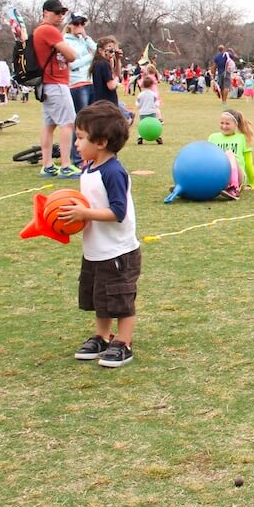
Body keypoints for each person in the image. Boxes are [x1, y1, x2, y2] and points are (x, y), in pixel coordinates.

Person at [62, 100, 141, 368]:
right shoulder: (88, 168)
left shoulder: (114, 172)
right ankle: (102, 336)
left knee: (120, 297)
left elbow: (117, 211)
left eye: (81, 138)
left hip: (118, 250)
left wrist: (85, 215)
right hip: (95, 248)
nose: (76, 143)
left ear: (102, 142)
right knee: (99, 295)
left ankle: (124, 342)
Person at [33, 0, 82, 178]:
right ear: (46, 12)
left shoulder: (40, 31)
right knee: (68, 123)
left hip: (46, 84)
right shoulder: (48, 30)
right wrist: (66, 48)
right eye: (56, 12)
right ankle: (66, 165)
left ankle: (47, 164)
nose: (60, 16)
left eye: (62, 13)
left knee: (49, 124)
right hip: (55, 83)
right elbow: (72, 55)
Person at [65, 15, 97, 167]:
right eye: (76, 23)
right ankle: (77, 158)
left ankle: (88, 154)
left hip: (89, 81)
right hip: (76, 84)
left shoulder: (83, 41)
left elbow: (98, 51)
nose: (79, 26)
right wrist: (89, 58)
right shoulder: (65, 41)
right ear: (70, 25)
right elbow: (72, 64)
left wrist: (86, 37)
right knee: (79, 122)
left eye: (82, 23)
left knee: (90, 122)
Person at [207, 108, 254, 195]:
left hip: (238, 177)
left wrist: (253, 184)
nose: (224, 126)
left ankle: (234, 188)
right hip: (219, 174)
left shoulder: (242, 138)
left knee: (229, 153)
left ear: (236, 125)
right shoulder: (213, 137)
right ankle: (188, 187)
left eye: (227, 123)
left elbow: (248, 163)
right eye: (222, 123)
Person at [91, 36, 134, 123]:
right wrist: (117, 79)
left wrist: (117, 60)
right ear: (100, 50)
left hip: (101, 103)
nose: (112, 53)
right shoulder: (103, 64)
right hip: (107, 103)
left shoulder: (100, 63)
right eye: (110, 50)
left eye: (113, 51)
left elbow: (116, 73)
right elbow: (111, 85)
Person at [135, 75, 163, 144]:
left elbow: (137, 103)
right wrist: (156, 106)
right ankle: (157, 136)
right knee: (153, 124)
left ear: (143, 85)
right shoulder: (153, 94)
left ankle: (140, 137)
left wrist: (139, 106)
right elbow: (156, 102)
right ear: (151, 85)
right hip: (152, 112)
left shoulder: (140, 94)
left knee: (142, 124)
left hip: (143, 112)